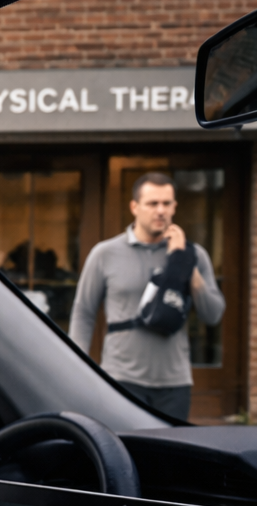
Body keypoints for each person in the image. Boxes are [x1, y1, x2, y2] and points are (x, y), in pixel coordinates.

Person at [68, 172, 226, 421]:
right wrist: (76, 370)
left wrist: (185, 265)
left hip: (174, 383)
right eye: (153, 204)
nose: (160, 211)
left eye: (167, 204)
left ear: (175, 207)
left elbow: (212, 314)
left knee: (169, 458)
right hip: (121, 378)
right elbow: (84, 313)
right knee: (126, 453)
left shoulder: (195, 254)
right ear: (135, 207)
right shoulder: (105, 253)